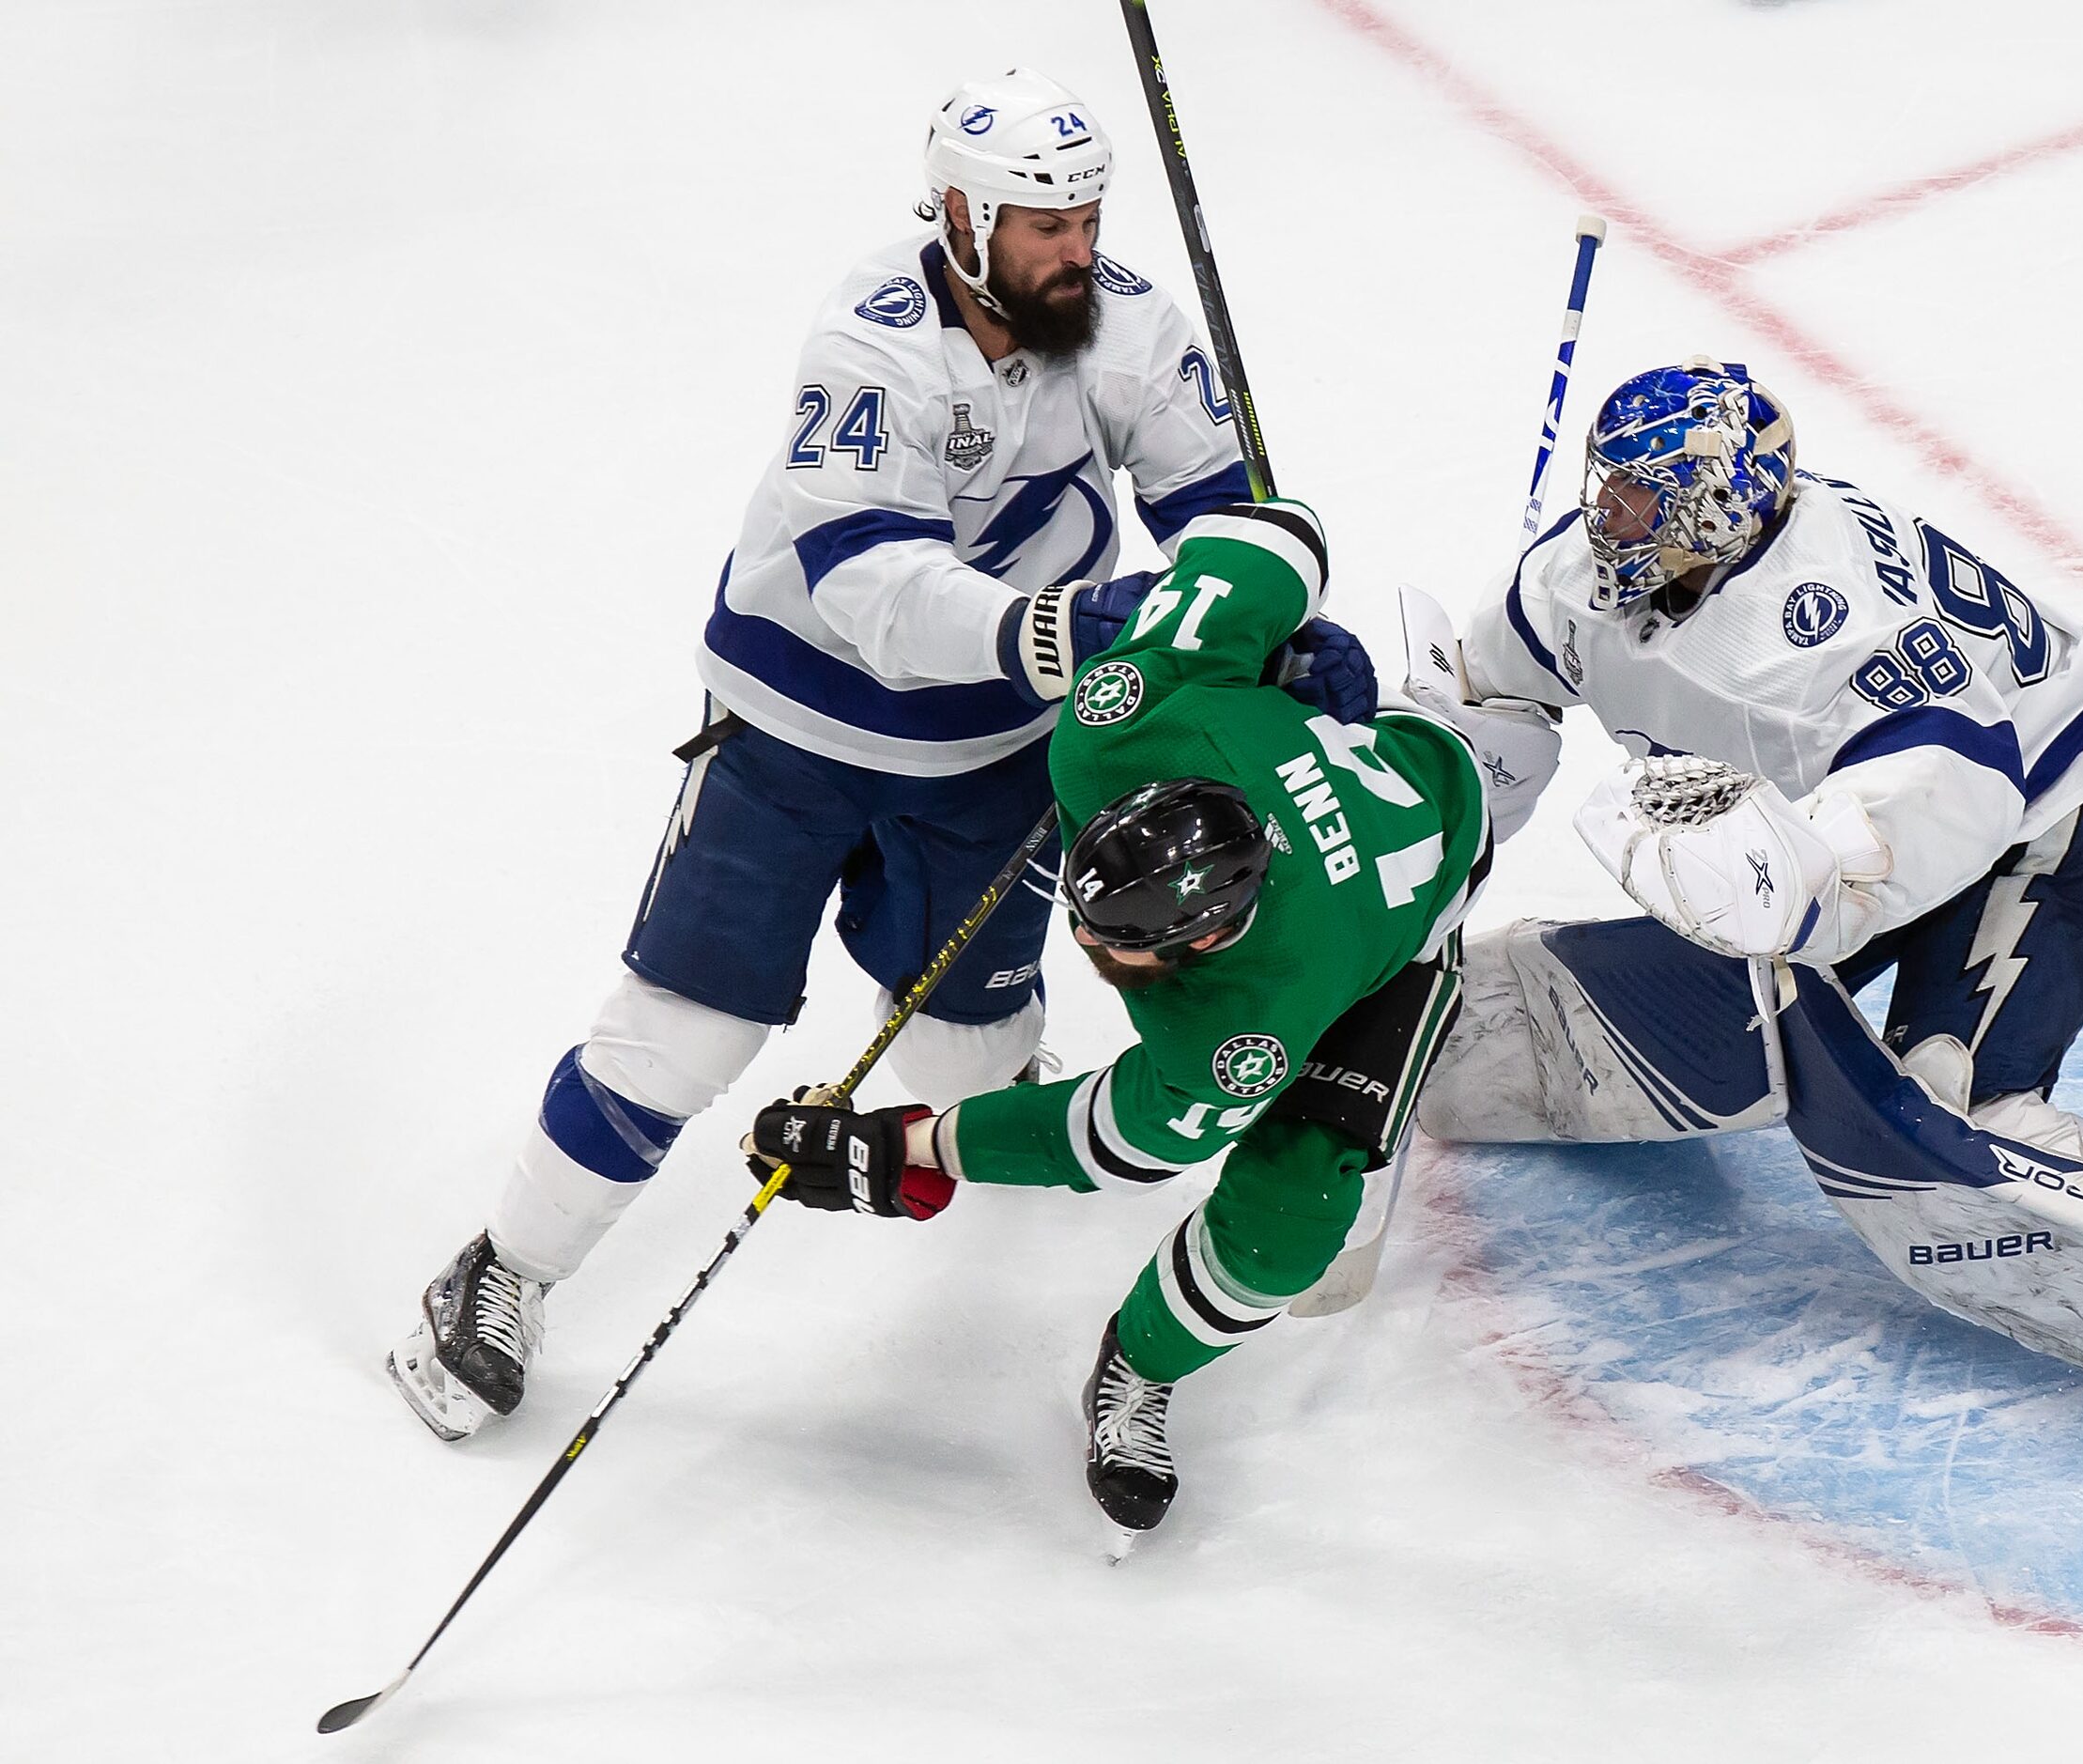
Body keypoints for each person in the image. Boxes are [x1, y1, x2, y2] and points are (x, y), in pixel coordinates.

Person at [389, 70, 1374, 1442]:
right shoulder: (876, 344)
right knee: (683, 1033)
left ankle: (982, 1105)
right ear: (964, 216)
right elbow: (866, 581)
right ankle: (504, 1268)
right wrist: (1062, 624)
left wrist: (1275, 621)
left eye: (1086, 215)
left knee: (976, 1059)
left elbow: (1214, 503)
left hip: (987, 761)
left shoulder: (1125, 322)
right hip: (794, 738)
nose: (1076, 248)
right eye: (1043, 224)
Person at [1406, 359, 2083, 1462]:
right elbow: (1495, 693)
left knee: (1955, 1096)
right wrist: (1448, 803)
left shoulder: (1815, 645)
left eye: (1643, 499)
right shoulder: (1586, 574)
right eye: (1610, 489)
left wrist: (1785, 885)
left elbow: (1928, 810)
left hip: (2058, 808)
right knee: (1753, 914)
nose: (1610, 520)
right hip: (1890, 791)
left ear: (1717, 505)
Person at [740, 499, 1493, 1533]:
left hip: (1405, 920)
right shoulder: (1119, 723)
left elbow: (1111, 1144)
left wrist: (909, 1145)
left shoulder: (1243, 1026)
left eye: (1123, 946)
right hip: (1352, 783)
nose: (1094, 944)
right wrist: (1280, 637)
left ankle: (1138, 1369)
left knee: (1292, 1221)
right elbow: (1274, 536)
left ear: (1203, 944)